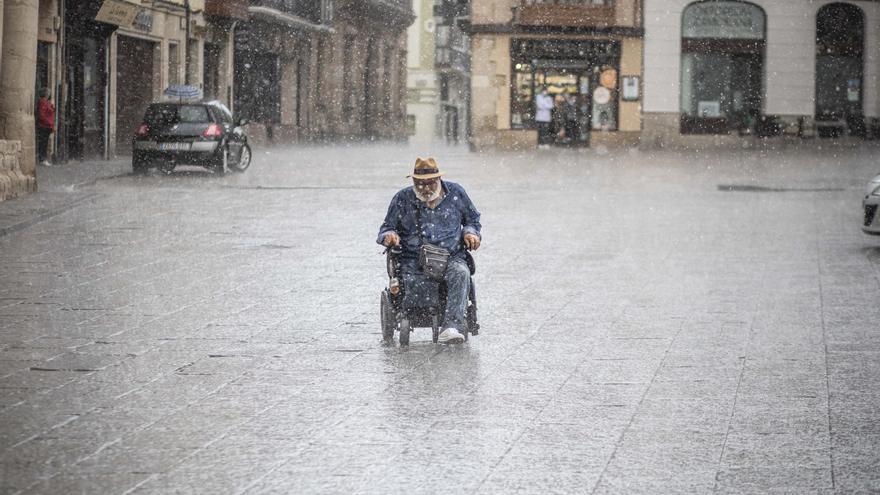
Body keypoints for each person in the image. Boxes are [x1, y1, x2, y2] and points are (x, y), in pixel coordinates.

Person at [377, 157, 482, 344]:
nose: (425, 189)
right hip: (413, 259)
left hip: (450, 256)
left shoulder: (456, 193)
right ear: (414, 182)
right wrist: (390, 235)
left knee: (461, 273)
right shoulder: (402, 199)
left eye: (430, 183)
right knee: (411, 281)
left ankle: (451, 326)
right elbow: (386, 228)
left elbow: (473, 220)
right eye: (420, 184)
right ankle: (412, 311)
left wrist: (470, 233)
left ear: (438, 180)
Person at [36, 88, 55, 166]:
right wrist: (48, 123)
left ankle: (43, 158)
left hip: (47, 126)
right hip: (44, 126)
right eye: (48, 93)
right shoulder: (43, 102)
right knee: (43, 143)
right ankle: (42, 159)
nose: (49, 94)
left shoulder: (46, 102)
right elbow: (42, 115)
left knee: (44, 143)